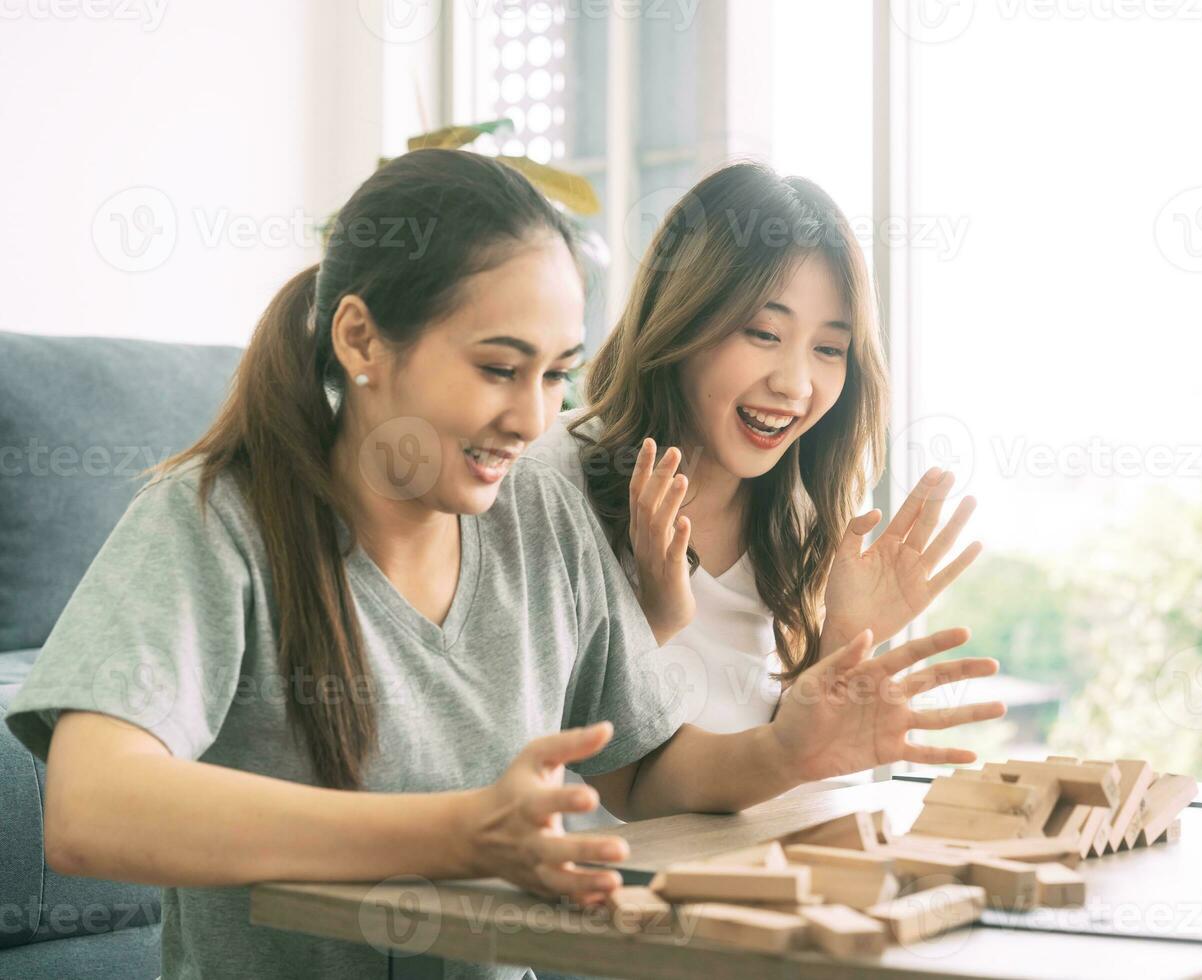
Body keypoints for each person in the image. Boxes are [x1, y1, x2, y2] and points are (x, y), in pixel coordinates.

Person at [4, 150, 1005, 980]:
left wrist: (794, 745)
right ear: (362, 337)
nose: (533, 417)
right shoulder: (213, 519)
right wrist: (459, 831)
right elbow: (93, 808)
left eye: (558, 373)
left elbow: (645, 763)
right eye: (497, 367)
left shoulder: (542, 504)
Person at [528, 162, 984, 737]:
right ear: (681, 317)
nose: (795, 385)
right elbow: (597, 768)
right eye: (764, 334)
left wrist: (841, 642)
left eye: (829, 348)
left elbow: (788, 765)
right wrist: (649, 621)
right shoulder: (548, 481)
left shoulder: (794, 514)